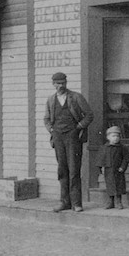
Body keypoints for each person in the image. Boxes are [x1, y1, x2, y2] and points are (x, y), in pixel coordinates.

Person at [43, 72, 94, 213]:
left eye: (63, 83)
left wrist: (78, 127)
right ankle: (64, 202)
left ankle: (77, 203)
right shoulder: (51, 100)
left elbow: (89, 115)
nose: (61, 86)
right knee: (62, 170)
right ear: (53, 84)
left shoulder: (76, 97)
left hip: (73, 137)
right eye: (58, 83)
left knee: (74, 170)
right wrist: (51, 130)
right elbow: (46, 119)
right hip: (58, 137)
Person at [96, 125, 129, 210]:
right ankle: (110, 202)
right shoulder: (104, 148)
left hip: (118, 170)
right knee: (110, 185)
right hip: (108, 170)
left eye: (117, 136)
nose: (116, 138)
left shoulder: (122, 148)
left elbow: (126, 159)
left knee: (119, 186)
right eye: (113, 136)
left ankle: (118, 201)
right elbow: (100, 159)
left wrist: (123, 167)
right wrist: (100, 168)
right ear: (108, 137)